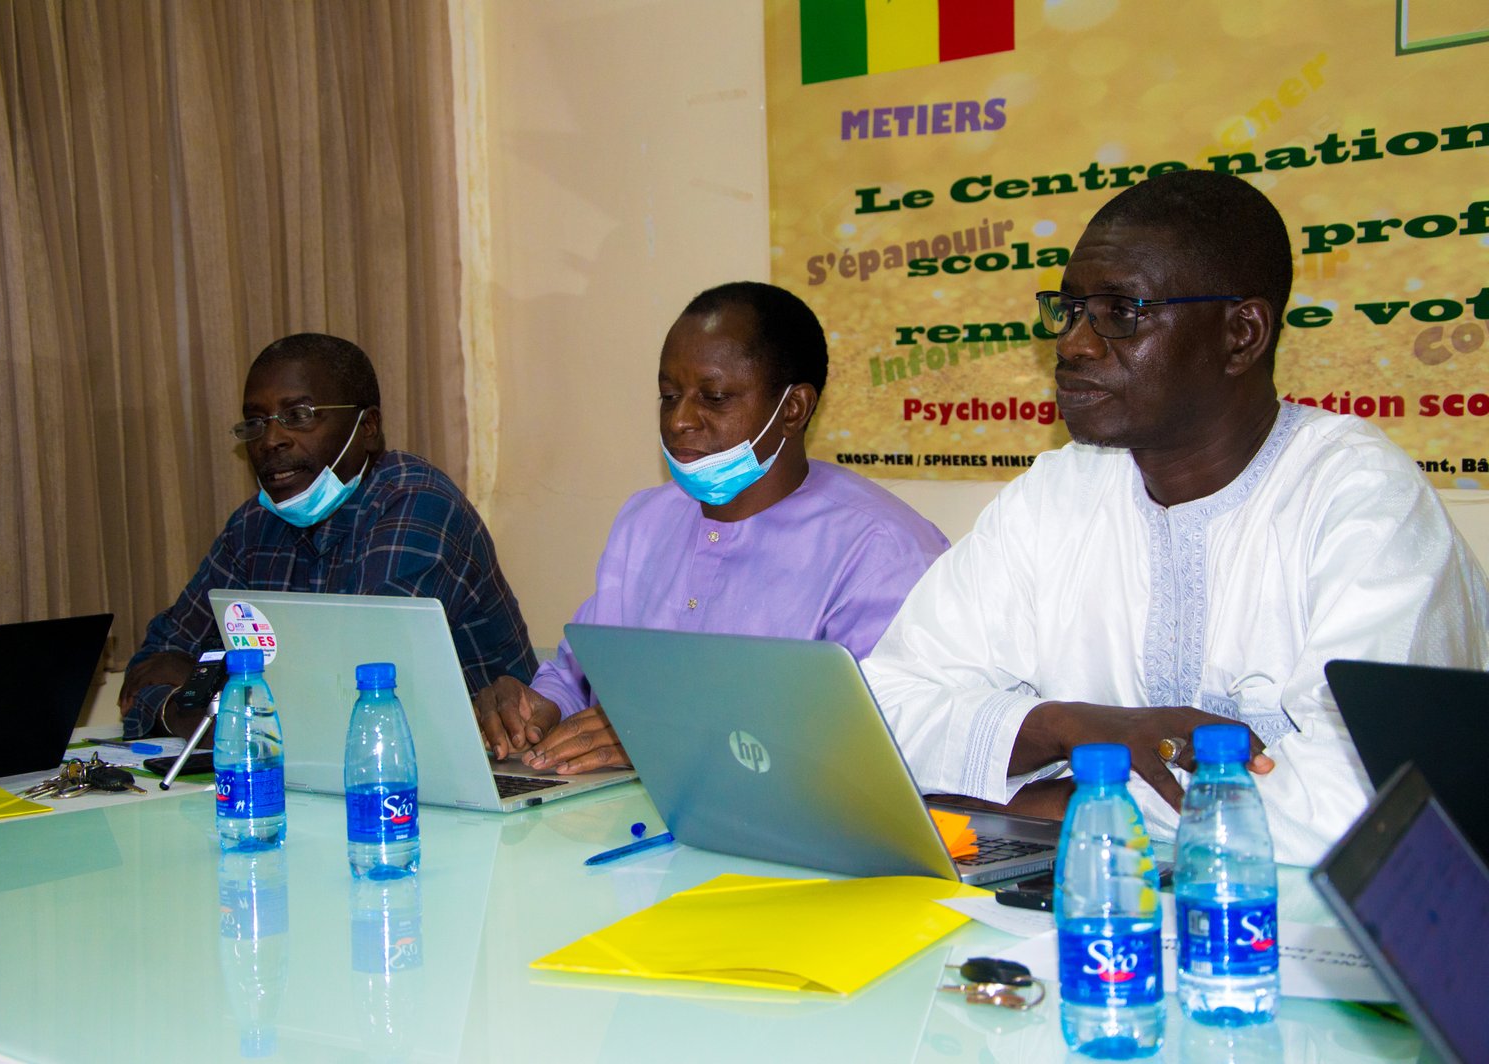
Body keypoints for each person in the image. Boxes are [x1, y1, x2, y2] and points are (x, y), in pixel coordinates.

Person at [863, 170, 1489, 867]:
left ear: (1241, 335)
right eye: (1069, 310)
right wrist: (1064, 725)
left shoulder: (1359, 499)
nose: (1074, 344)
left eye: (1121, 312)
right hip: (1084, 909)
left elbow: (1371, 805)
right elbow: (882, 712)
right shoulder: (1058, 491)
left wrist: (1063, 800)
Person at [475, 282, 950, 773]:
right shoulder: (646, 521)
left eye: (715, 397)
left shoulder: (881, 550)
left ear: (792, 409)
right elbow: (582, 676)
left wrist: (676, 738)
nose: (679, 421)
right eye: (669, 396)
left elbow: (883, 748)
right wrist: (535, 710)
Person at [120, 332, 536, 738]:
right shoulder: (253, 526)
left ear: (367, 426)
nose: (271, 440)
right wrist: (185, 709)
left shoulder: (415, 501)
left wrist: (208, 701)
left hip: (481, 767)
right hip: (321, 769)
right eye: (256, 422)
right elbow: (151, 668)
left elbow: (354, 689)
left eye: (299, 416)